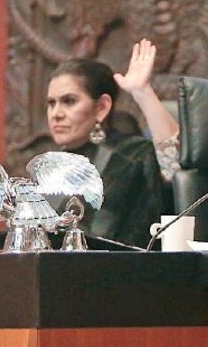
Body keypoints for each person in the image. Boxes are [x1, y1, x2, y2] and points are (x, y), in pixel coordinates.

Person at [46, 39, 180, 247]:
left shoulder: (134, 154)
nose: (56, 114)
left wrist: (142, 92)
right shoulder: (50, 168)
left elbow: (176, 167)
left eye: (69, 101)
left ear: (102, 107)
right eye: (51, 103)